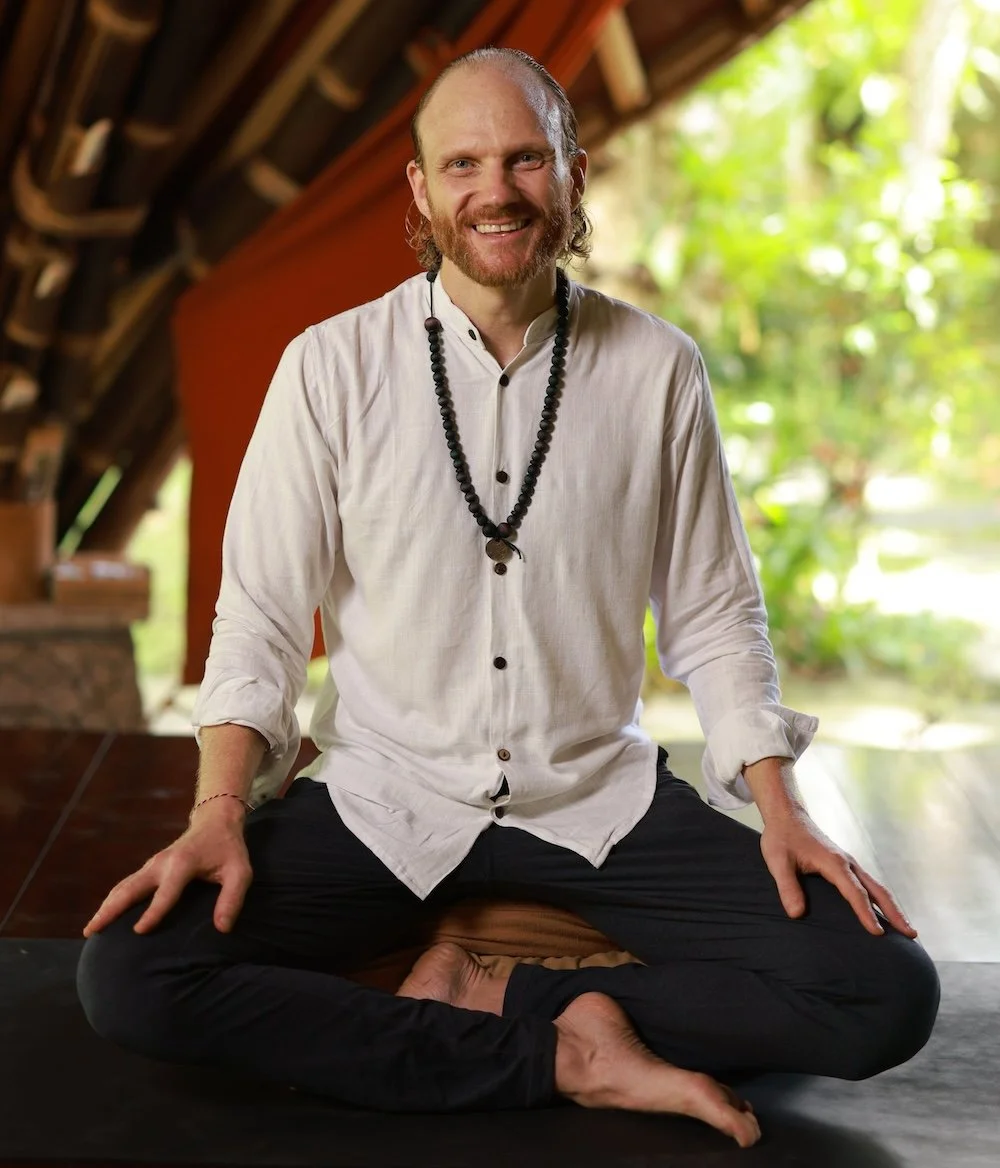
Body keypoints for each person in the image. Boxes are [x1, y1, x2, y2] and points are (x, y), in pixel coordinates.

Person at [76, 47, 940, 1149]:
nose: (496, 190)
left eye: (526, 158)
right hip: (385, 799)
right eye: (465, 162)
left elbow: (716, 614)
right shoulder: (328, 369)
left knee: (884, 991)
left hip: (599, 805)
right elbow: (258, 616)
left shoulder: (657, 368)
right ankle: (568, 1052)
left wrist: (782, 811)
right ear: (422, 190)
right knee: (135, 974)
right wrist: (216, 814)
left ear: (572, 174)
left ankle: (494, 1001)